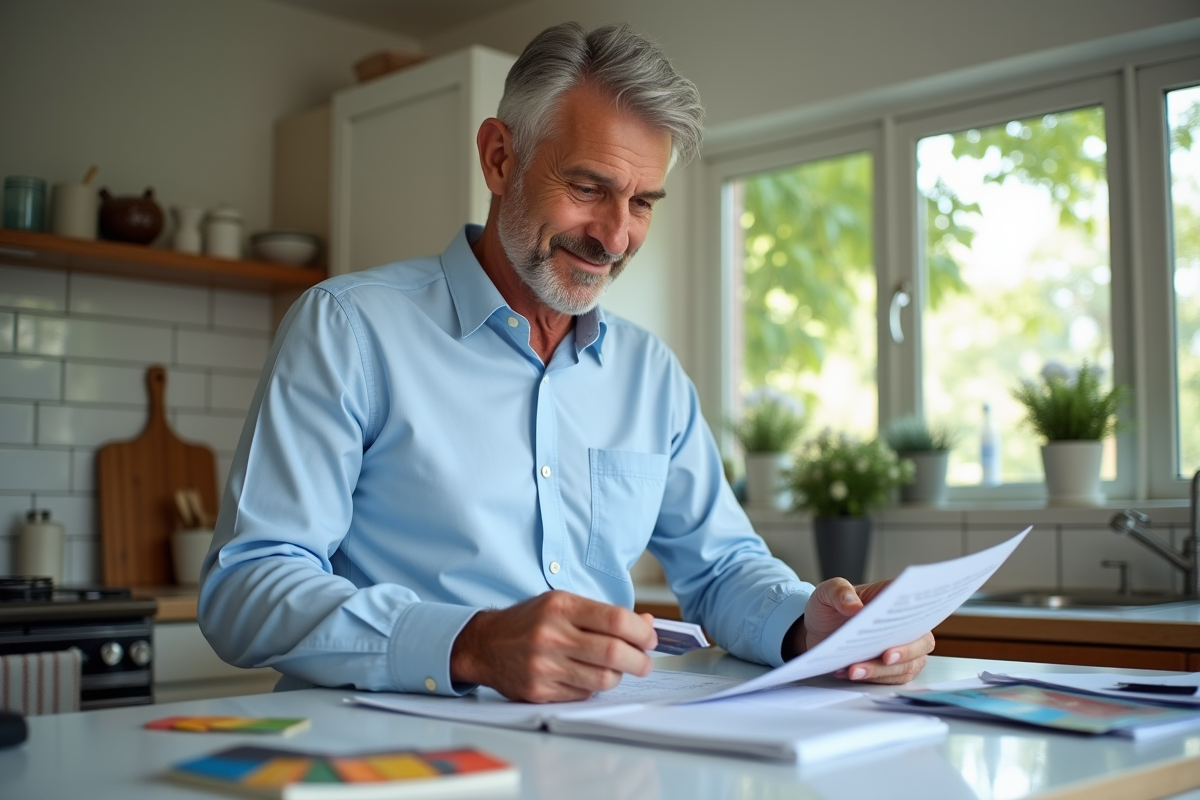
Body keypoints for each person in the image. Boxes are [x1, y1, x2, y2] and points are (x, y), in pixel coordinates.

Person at [198, 21, 934, 703]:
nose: (615, 236)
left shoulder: (650, 376)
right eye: (589, 188)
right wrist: (471, 644)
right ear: (499, 158)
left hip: (596, 759)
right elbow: (246, 589)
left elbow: (723, 569)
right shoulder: (350, 330)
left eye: (643, 202)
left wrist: (814, 626)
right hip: (384, 765)